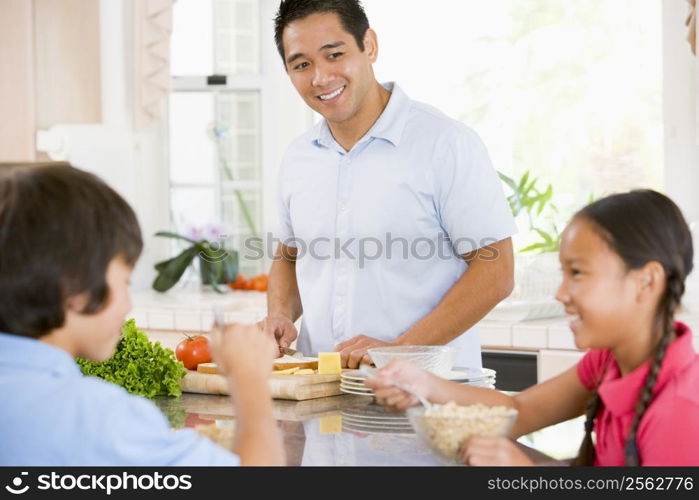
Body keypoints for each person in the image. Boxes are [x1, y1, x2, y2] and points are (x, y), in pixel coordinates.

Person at [262, 0, 517, 370]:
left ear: (369, 45)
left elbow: (497, 272)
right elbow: (289, 257)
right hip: (324, 396)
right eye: (301, 65)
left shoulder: (445, 144)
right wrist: (281, 314)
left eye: (334, 54)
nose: (320, 77)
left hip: (427, 400)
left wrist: (399, 350)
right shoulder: (298, 158)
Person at [366, 190, 699, 466]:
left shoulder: (681, 409)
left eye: (578, 273)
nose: (561, 293)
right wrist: (422, 383)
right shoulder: (609, 361)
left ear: (647, 281)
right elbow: (518, 412)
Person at [0, 164, 284, 466]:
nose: (128, 305)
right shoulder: (100, 419)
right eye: (125, 281)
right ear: (75, 288)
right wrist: (249, 382)